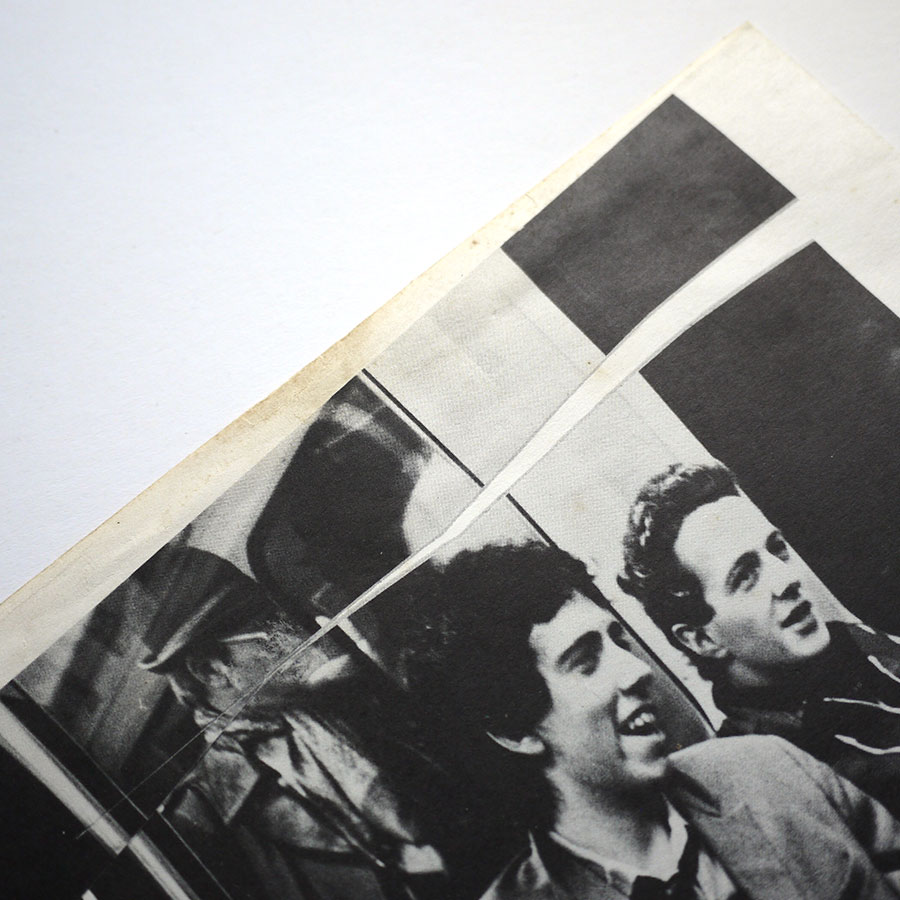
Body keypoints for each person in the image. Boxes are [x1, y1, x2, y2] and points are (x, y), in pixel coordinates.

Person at [418, 540, 900, 900]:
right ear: (514, 730)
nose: (637, 670)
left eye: (618, 641)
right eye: (586, 662)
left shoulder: (770, 769)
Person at [139, 546, 446, 900]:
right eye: (274, 630)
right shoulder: (199, 814)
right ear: (211, 670)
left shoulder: (345, 700)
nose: (300, 636)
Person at [620, 461, 900, 819]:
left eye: (777, 549)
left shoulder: (866, 643)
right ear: (701, 639)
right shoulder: (760, 777)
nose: (786, 579)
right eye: (745, 576)